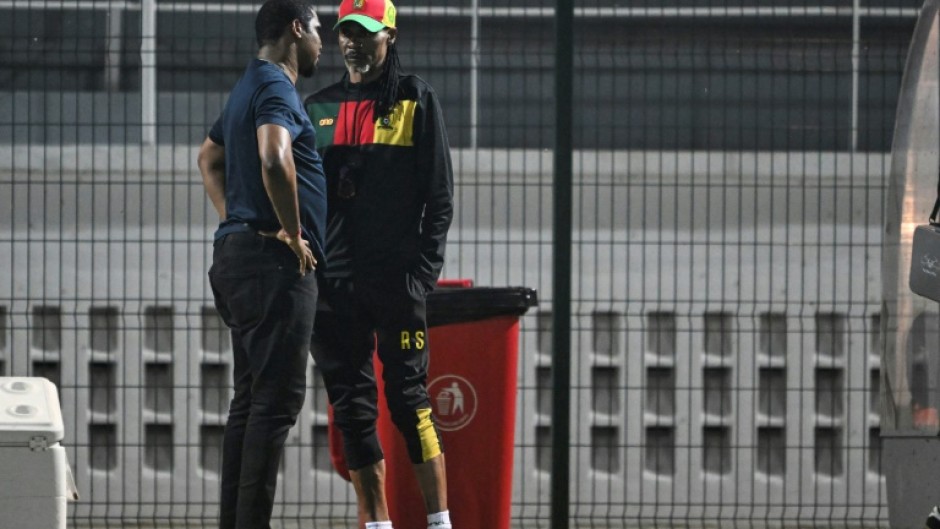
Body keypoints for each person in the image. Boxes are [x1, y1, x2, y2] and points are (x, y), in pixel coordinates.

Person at [304, 0, 454, 528]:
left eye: (366, 33)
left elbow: (440, 199)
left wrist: (422, 277)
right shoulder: (317, 107)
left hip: (396, 284)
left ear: (390, 35)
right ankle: (377, 523)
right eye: (346, 32)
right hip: (334, 286)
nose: (354, 43)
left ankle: (440, 522)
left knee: (410, 402)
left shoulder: (416, 100)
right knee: (352, 409)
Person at [196, 1, 326, 527]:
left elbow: (209, 157)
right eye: (319, 30)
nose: (324, 42)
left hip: (239, 258)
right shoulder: (275, 86)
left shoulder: (245, 86)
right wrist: (292, 234)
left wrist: (237, 221)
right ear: (297, 29)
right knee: (273, 406)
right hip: (273, 269)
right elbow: (274, 156)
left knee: (250, 403)